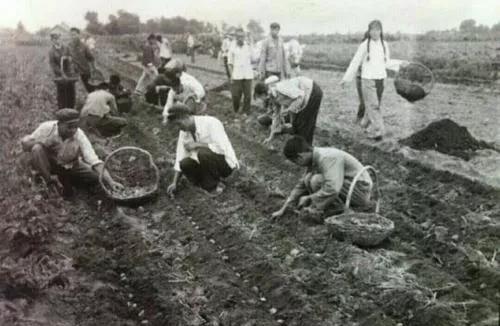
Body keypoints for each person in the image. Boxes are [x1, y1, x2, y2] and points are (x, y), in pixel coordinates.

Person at [21, 109, 122, 196]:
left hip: (70, 164)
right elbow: (26, 144)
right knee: (37, 148)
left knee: (96, 178)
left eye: (75, 126)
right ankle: (48, 181)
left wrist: (111, 181)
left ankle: (68, 180)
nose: (73, 130)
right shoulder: (46, 128)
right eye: (69, 127)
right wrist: (40, 143)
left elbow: (93, 159)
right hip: (49, 163)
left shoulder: (79, 135)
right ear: (59, 124)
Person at [272, 136, 373, 222]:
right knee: (308, 179)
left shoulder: (326, 158)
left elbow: (333, 187)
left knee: (316, 180)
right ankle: (330, 208)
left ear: (300, 157)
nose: (299, 165)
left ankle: (339, 210)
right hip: (348, 185)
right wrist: (283, 208)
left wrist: (310, 198)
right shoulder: (314, 159)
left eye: (296, 162)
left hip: (360, 190)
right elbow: (301, 185)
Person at [340, 20, 406, 140]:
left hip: (380, 79)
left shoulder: (384, 44)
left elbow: (386, 62)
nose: (375, 33)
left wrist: (401, 64)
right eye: (372, 30)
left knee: (375, 105)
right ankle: (378, 131)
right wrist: (346, 78)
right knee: (373, 105)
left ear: (381, 31)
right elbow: (355, 62)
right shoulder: (365, 45)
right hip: (367, 79)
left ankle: (364, 123)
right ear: (369, 31)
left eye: (377, 30)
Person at [166, 104, 239, 195]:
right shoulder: (184, 131)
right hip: (207, 166)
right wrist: (174, 183)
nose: (178, 128)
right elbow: (180, 156)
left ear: (186, 117)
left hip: (225, 165)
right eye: (175, 125)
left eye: (179, 124)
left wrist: (197, 144)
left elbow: (221, 148)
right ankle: (202, 185)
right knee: (184, 163)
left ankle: (215, 186)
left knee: (202, 153)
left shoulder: (211, 123)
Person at [254, 76, 322, 145]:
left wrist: (289, 110)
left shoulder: (280, 89)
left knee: (304, 125)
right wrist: (270, 137)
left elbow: (300, 96)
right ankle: (303, 147)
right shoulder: (272, 98)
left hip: (312, 90)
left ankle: (304, 150)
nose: (260, 100)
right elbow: (276, 116)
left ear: (263, 94)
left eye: (259, 97)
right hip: (303, 96)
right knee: (298, 125)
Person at [228, 28, 254, 114]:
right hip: (237, 75)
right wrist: (231, 76)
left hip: (247, 75)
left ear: (244, 37)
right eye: (238, 37)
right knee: (236, 96)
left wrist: (252, 43)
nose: (240, 38)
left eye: (242, 36)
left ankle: (246, 112)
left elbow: (254, 58)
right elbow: (230, 63)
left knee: (248, 96)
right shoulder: (232, 47)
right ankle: (236, 110)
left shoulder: (248, 46)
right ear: (236, 37)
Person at [49, 32, 76, 109]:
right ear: (52, 40)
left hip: (69, 73)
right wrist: (61, 73)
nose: (57, 40)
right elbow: (53, 64)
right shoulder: (51, 51)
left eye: (58, 38)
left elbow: (71, 57)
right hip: (59, 75)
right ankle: (62, 110)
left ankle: (71, 109)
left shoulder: (66, 48)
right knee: (61, 93)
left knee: (71, 92)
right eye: (55, 39)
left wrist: (70, 59)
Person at [67, 27, 96, 93]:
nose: (72, 37)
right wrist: (69, 59)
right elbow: (66, 56)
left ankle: (93, 100)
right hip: (74, 71)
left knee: (90, 88)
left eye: (74, 34)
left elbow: (91, 58)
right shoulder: (69, 46)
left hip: (84, 70)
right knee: (71, 89)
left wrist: (94, 69)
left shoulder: (84, 46)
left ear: (78, 35)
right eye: (71, 35)